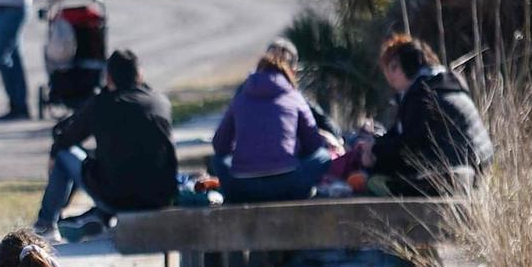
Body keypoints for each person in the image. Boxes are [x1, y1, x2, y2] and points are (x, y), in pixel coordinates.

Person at [33, 48, 177, 240]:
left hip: (116, 198)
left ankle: (46, 224)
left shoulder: (102, 104)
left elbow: (65, 137)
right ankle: (99, 216)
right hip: (160, 197)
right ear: (140, 75)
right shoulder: (160, 102)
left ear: (108, 78)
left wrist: (53, 154)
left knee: (64, 155)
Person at [361, 33, 494, 195]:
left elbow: (409, 147)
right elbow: (403, 135)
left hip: (455, 171)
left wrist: (375, 153)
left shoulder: (424, 94)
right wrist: (377, 146)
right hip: (477, 167)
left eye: (393, 67)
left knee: (379, 181)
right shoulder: (443, 83)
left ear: (404, 66)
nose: (389, 76)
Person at [210, 51, 334, 203]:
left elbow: (220, 146)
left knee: (217, 160)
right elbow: (313, 145)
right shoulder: (294, 97)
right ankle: (305, 191)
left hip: (243, 188)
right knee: (323, 156)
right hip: (289, 186)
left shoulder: (240, 98)